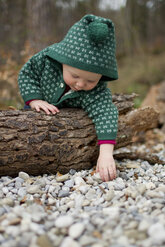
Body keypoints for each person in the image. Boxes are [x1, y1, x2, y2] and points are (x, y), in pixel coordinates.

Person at [18, 14, 118, 182]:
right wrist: (34, 99)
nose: (80, 84)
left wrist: (106, 154)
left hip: (64, 132)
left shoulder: (97, 91)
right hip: (35, 114)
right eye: (75, 75)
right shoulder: (46, 61)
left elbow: (106, 114)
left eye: (90, 80)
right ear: (62, 60)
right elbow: (27, 74)